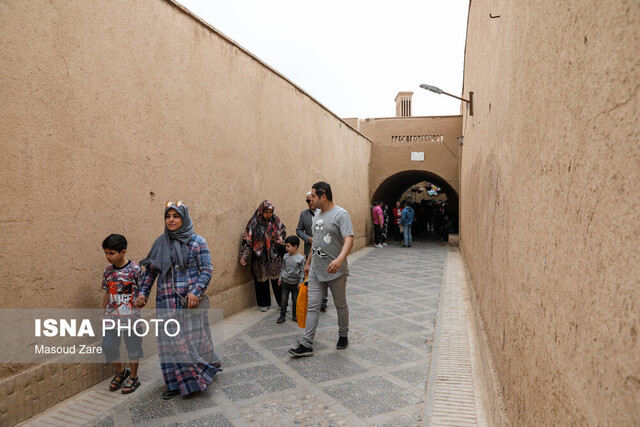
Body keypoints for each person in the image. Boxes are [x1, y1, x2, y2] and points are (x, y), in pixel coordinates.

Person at [135, 201, 221, 399]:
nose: (171, 220)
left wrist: (196, 292)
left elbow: (207, 270)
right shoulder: (160, 243)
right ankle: (173, 383)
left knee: (191, 342)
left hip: (188, 303)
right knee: (168, 343)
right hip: (165, 302)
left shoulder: (197, 242)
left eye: (176, 216)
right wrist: (142, 294)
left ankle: (196, 380)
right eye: (168, 216)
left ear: (184, 218)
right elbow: (150, 273)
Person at [289, 181, 354, 357]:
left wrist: (340, 260)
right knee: (312, 306)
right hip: (316, 271)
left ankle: (343, 335)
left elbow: (349, 239)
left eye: (314, 196)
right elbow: (316, 241)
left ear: (323, 197)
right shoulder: (316, 214)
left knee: (341, 304)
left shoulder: (341, 215)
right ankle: (307, 344)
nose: (311, 198)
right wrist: (308, 262)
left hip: (336, 271)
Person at [100, 234, 143, 394]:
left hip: (131, 318)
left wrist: (140, 302)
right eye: (106, 253)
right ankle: (120, 372)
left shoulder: (135, 270)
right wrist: (102, 313)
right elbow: (106, 293)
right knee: (108, 345)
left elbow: (143, 292)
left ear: (123, 252)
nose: (108, 256)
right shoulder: (108, 271)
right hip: (112, 317)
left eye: (112, 253)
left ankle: (133, 377)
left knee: (133, 347)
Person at [240, 200, 286, 312]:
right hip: (259, 256)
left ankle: (283, 303)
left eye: (271, 212)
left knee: (278, 280)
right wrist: (244, 256)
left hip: (275, 256)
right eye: (266, 212)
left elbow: (282, 232)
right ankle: (263, 303)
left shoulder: (276, 220)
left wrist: (279, 241)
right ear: (261, 211)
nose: (269, 215)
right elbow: (247, 240)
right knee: (261, 280)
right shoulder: (254, 222)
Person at [296, 192, 328, 311]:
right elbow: (298, 230)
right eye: (307, 201)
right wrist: (307, 238)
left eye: (311, 200)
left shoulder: (324, 213)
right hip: (309, 249)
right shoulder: (304, 214)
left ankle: (324, 299)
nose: (310, 203)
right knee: (310, 273)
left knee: (323, 273)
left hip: (323, 249)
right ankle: (312, 297)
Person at [277, 235, 305, 324]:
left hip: (295, 284)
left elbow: (302, 272)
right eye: (285, 246)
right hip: (285, 283)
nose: (286, 248)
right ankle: (282, 316)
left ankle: (295, 316)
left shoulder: (301, 259)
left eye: (288, 246)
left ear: (295, 247)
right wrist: (280, 277)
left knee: (295, 300)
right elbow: (283, 268)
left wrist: (301, 283)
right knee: (284, 300)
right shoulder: (285, 256)